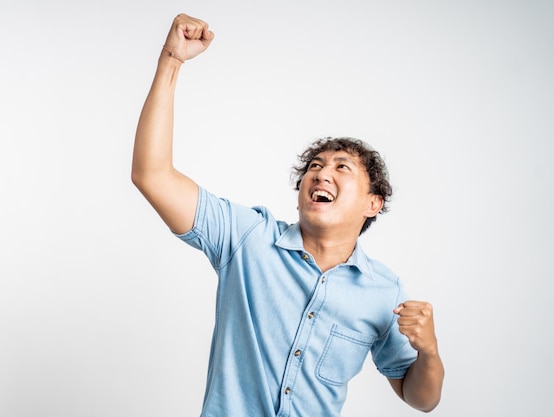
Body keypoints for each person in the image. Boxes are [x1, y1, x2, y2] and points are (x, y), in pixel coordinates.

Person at [132, 13, 444, 417]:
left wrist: (429, 351)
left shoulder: (384, 292)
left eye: (341, 167)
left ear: (373, 204)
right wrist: (172, 60)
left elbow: (421, 398)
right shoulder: (247, 238)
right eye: (314, 165)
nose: (321, 172)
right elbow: (152, 174)